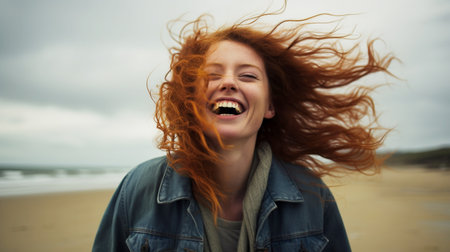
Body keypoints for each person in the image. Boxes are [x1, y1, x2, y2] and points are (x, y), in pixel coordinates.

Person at [93, 5, 395, 252]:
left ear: (269, 107)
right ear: (191, 102)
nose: (228, 82)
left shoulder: (313, 197)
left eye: (248, 76)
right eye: (212, 75)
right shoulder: (138, 189)